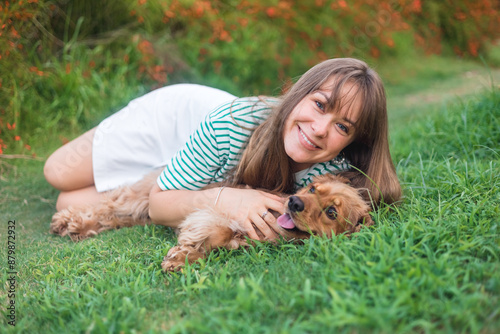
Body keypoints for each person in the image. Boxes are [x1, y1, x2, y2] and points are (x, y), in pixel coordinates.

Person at [44, 58, 402, 240]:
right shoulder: (232, 123)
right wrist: (224, 198)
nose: (320, 130)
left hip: (203, 163)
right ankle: (161, 169)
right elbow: (159, 204)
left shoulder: (329, 175)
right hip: (176, 120)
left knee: (67, 202)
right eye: (320, 104)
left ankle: (165, 174)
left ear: (354, 142)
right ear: (298, 93)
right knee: (57, 172)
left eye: (342, 127)